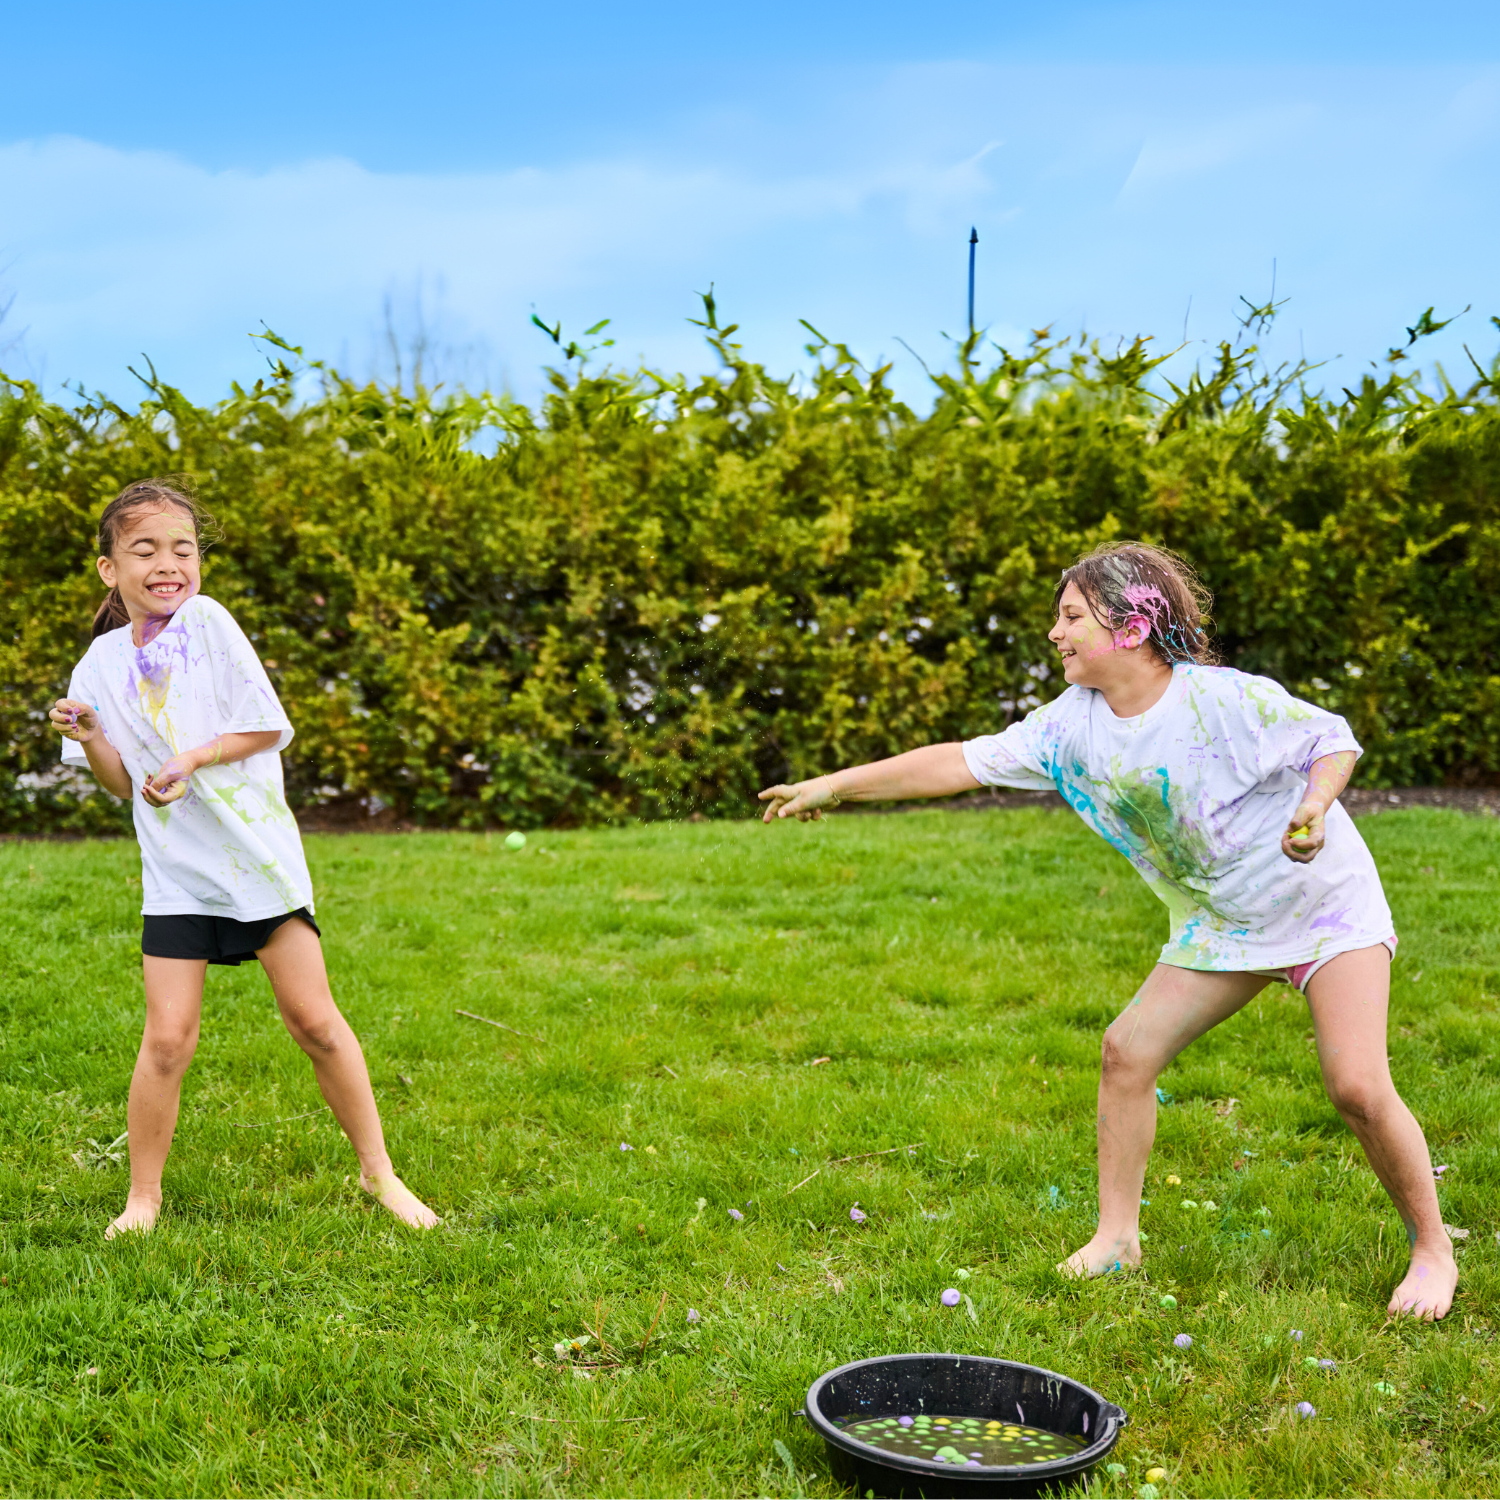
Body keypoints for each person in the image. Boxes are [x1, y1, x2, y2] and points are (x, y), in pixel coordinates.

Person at [758, 541, 1456, 1321]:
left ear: (1131, 628)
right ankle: (1117, 1240)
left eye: (1071, 617)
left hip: (1322, 908)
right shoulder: (1070, 727)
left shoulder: (1219, 700)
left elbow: (1330, 739)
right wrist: (834, 786)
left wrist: (1315, 806)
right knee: (1127, 1051)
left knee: (1356, 1085)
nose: (1054, 633)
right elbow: (956, 763)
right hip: (1223, 925)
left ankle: (1432, 1248)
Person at [50, 479, 438, 1237]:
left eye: (183, 549)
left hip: (257, 862)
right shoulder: (97, 664)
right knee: (167, 1039)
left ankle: (380, 1175)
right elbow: (122, 784)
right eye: (145, 550)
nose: (168, 564)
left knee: (315, 1022)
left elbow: (265, 727)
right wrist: (93, 734)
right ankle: (142, 1199)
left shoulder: (208, 622)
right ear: (109, 568)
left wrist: (192, 758)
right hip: (177, 873)